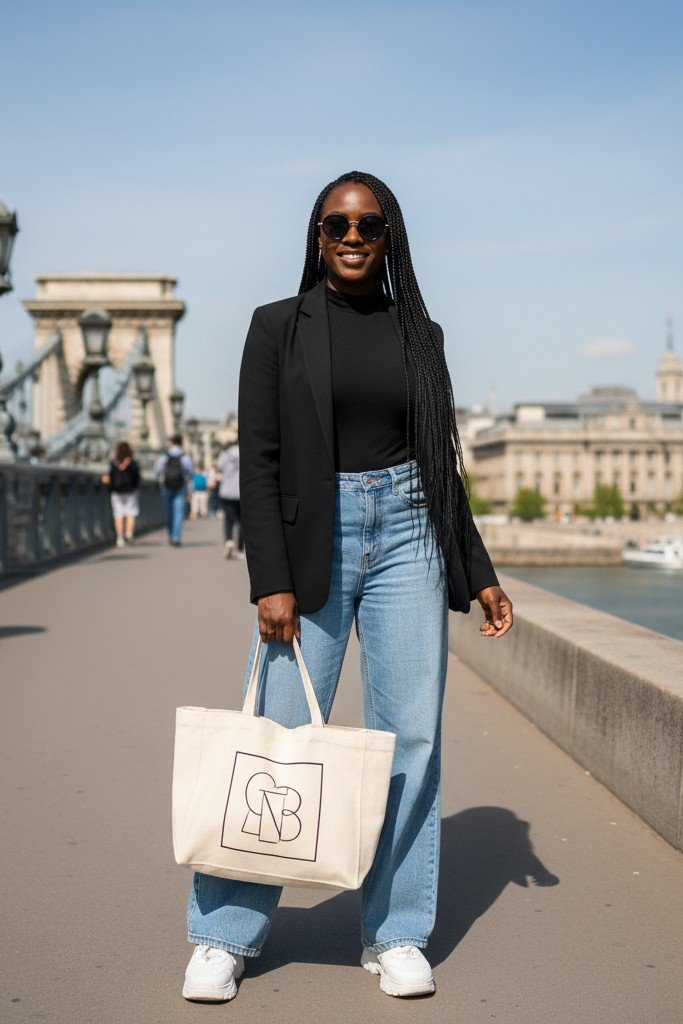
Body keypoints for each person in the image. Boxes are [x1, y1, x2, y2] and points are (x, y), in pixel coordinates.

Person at [182, 171, 514, 1003]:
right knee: (278, 734)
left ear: (390, 234)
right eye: (337, 224)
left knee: (411, 741)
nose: (352, 235)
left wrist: (477, 574)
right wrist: (272, 579)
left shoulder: (420, 335)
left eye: (368, 224)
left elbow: (440, 464)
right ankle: (225, 935)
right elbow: (257, 462)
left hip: (408, 529)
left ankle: (395, 932)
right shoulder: (275, 328)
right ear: (317, 235)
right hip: (312, 538)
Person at [154, 434, 194, 547]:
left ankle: (170, 535)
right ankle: (176, 538)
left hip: (166, 486)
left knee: (169, 513)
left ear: (171, 443)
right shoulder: (185, 457)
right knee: (178, 513)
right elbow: (190, 473)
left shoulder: (164, 456)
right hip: (180, 487)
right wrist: (190, 490)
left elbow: (157, 470)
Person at [101, 440, 140, 548]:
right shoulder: (132, 463)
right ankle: (129, 533)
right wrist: (136, 488)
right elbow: (137, 477)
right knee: (130, 513)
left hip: (116, 492)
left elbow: (110, 477)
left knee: (118, 514)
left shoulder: (114, 462)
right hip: (130, 492)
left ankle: (120, 537)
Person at [216, 440, 244, 559]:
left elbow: (220, 467)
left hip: (226, 491)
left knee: (228, 519)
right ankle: (240, 549)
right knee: (242, 521)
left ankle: (229, 541)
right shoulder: (245, 452)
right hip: (241, 491)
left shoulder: (225, 454)